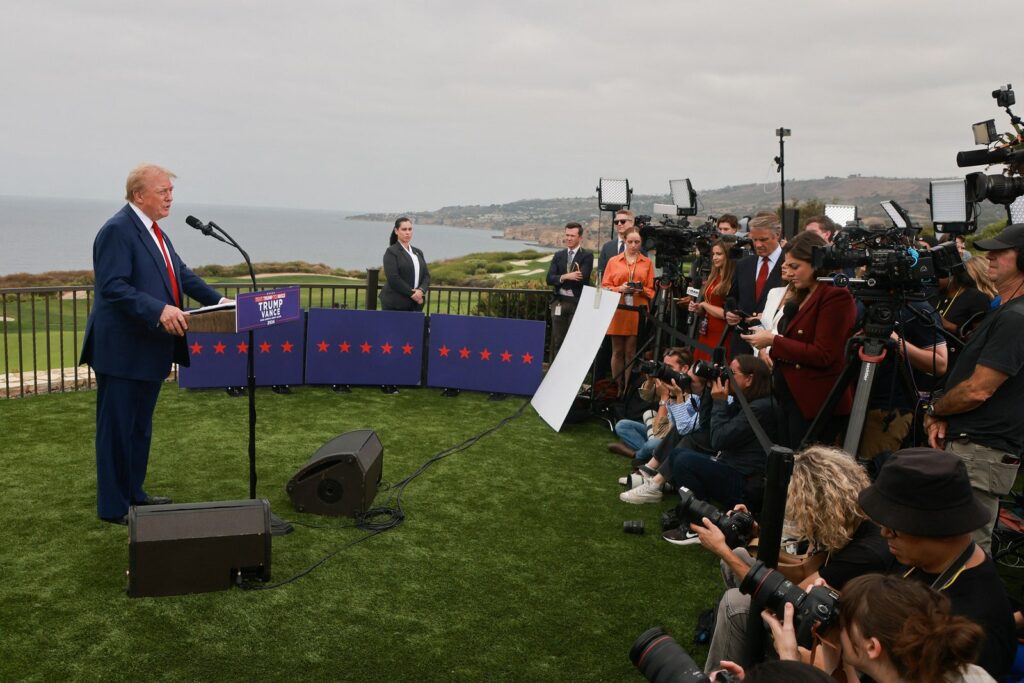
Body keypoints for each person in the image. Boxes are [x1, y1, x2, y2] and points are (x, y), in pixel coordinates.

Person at [79, 164, 228, 525]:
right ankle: (114, 507)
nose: (170, 197)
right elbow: (113, 286)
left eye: (171, 191)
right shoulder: (117, 230)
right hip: (121, 351)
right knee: (117, 430)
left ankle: (134, 494)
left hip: (149, 349)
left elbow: (181, 274)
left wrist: (220, 302)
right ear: (138, 195)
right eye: (163, 191)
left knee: (139, 428)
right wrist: (159, 309)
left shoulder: (156, 233)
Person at [698, 445, 890, 672]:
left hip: (834, 651)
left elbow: (791, 600)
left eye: (801, 505)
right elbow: (802, 568)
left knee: (735, 603)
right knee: (740, 557)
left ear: (821, 505)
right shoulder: (846, 524)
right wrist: (755, 533)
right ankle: (746, 648)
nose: (798, 514)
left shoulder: (866, 551)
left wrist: (723, 550)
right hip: (816, 615)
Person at [857, 447, 1016, 679]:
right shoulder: (922, 559)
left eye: (895, 526)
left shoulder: (972, 630)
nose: (883, 532)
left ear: (940, 529)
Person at [925, 223, 1024, 554]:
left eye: (1001, 252)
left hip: (981, 453)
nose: (990, 257)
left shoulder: (1016, 318)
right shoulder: (1006, 311)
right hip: (973, 447)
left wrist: (935, 409)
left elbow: (978, 390)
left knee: (963, 555)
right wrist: (943, 414)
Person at [741, 231, 856, 449]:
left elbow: (824, 354)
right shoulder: (802, 294)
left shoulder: (835, 296)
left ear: (816, 264)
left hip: (815, 405)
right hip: (790, 400)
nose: (789, 272)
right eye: (787, 266)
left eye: (795, 267)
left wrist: (773, 342)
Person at [777, 574, 995, 683]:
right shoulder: (963, 672)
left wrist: (789, 663)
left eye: (845, 622)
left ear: (872, 647)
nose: (839, 625)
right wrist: (832, 644)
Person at [622, 355, 775, 507]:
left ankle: (699, 511)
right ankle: (658, 482)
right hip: (729, 466)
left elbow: (718, 440)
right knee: (679, 454)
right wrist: (709, 391)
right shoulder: (743, 401)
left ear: (749, 379)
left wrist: (719, 402)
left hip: (744, 482)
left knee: (683, 459)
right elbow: (705, 423)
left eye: (731, 373)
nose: (725, 377)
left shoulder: (760, 408)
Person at [608, 348, 690, 460]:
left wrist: (664, 397)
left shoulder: (688, 391)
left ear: (684, 368)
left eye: (669, 368)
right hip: (659, 431)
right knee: (622, 425)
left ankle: (636, 455)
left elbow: (660, 433)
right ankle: (652, 455)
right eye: (664, 366)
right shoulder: (668, 380)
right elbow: (646, 397)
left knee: (654, 444)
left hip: (672, 438)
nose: (665, 370)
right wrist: (650, 380)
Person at [601, 227, 655, 394]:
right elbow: (605, 287)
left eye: (637, 242)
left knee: (631, 351)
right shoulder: (613, 261)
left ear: (641, 243)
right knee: (617, 350)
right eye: (630, 242)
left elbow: (652, 291)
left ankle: (627, 388)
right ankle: (616, 386)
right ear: (624, 241)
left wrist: (640, 290)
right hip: (618, 310)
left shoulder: (647, 262)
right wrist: (620, 289)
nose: (633, 245)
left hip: (636, 310)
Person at [727, 214, 784, 356]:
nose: (758, 244)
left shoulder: (789, 264)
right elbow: (731, 298)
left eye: (763, 239)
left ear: (777, 235)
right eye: (754, 239)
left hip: (772, 347)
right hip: (742, 344)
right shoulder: (743, 264)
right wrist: (729, 313)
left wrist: (768, 316)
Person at [545, 222, 593, 361]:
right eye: (567, 235)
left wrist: (559, 278)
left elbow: (581, 278)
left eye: (572, 235)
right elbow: (549, 278)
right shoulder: (558, 255)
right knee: (558, 341)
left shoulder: (587, 256)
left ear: (580, 238)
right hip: (559, 302)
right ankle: (555, 375)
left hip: (576, 304)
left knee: (574, 341)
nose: (569, 238)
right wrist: (566, 276)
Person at [687, 239, 736, 362]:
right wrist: (698, 309)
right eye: (713, 254)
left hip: (722, 333)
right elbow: (707, 308)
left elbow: (727, 314)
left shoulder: (733, 280)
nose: (714, 258)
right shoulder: (713, 276)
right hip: (706, 330)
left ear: (728, 255)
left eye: (719, 254)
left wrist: (704, 305)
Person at [380, 217, 430, 312]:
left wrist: (421, 291)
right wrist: (413, 294)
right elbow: (393, 278)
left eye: (410, 229)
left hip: (415, 304)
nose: (407, 232)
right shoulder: (391, 252)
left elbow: (426, 276)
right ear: (396, 231)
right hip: (395, 304)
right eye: (404, 229)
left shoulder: (418, 252)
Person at [598, 209, 638, 274]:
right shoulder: (607, 247)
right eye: (616, 222)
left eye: (622, 221)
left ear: (632, 222)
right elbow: (601, 271)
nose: (619, 224)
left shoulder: (640, 247)